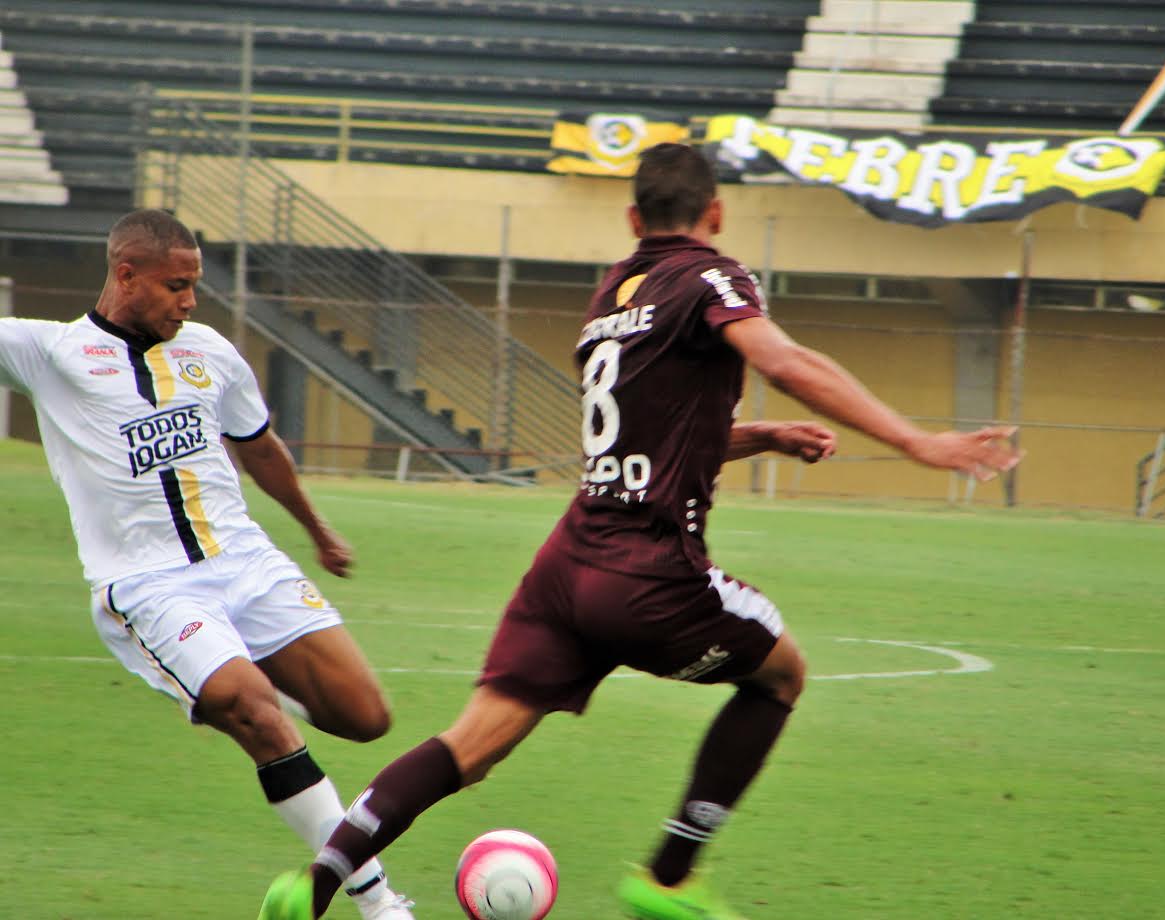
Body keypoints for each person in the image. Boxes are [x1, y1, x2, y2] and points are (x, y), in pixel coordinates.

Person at [257, 143, 1022, 920]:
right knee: (781, 675)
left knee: (472, 743)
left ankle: (314, 884)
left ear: (632, 219)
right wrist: (917, 442)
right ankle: (668, 876)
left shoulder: (611, 295)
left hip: (566, 569)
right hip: (649, 571)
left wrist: (760, 437)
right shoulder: (711, 276)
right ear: (715, 212)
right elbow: (784, 361)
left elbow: (650, 436)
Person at [0, 209, 417, 920]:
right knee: (256, 715)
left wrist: (317, 530)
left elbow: (259, 448)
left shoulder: (211, 352)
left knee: (365, 716)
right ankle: (378, 902)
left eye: (194, 285)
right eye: (177, 286)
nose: (191, 301)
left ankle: (232, 684)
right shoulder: (51, 353)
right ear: (126, 275)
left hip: (247, 562)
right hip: (152, 586)